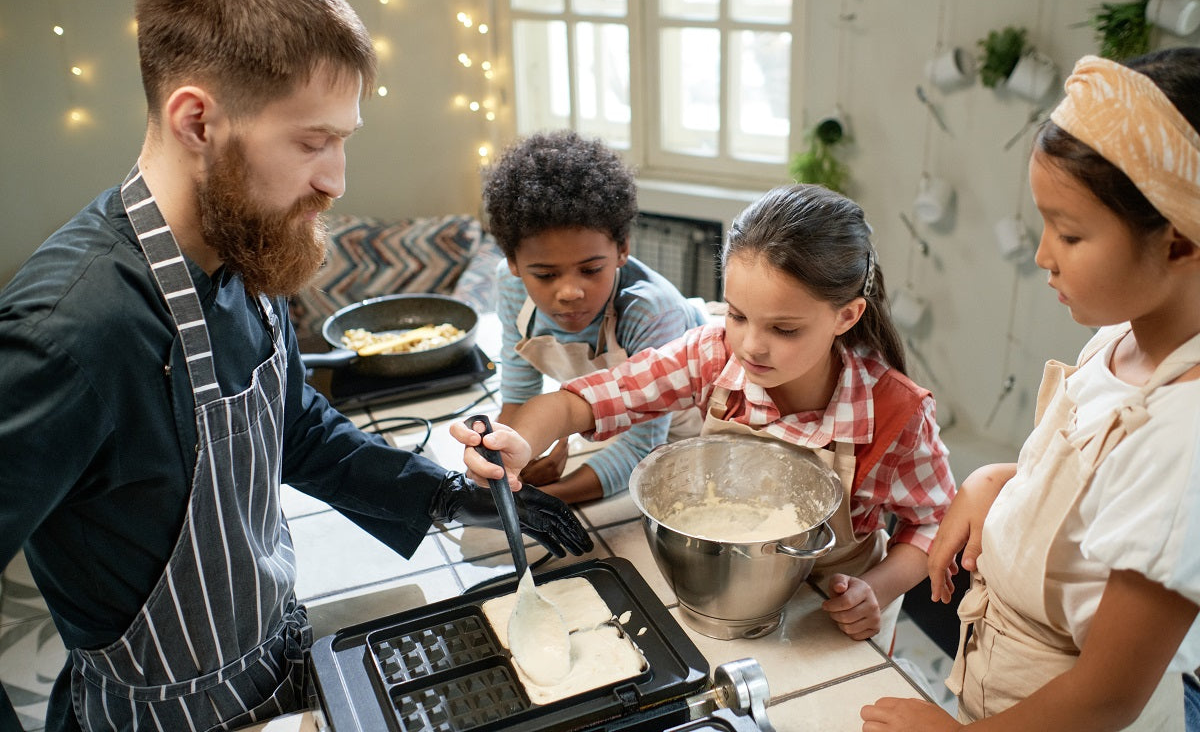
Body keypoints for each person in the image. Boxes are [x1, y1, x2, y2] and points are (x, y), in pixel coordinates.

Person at [0, 0, 591, 731]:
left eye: (342, 139)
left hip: (279, 670)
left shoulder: (244, 247)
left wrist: (450, 495)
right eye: (311, 142)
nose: (336, 179)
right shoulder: (68, 333)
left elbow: (294, 430)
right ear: (197, 120)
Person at [454, 184, 957, 647]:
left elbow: (935, 522)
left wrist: (875, 589)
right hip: (722, 586)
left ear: (846, 316)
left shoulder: (896, 413)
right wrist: (517, 442)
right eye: (737, 315)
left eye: (784, 329)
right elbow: (579, 402)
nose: (751, 346)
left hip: (829, 609)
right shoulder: (711, 356)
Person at [861, 49, 1200, 731]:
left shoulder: (1186, 437)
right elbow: (1094, 497)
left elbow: (1108, 695)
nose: (1043, 255)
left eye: (1070, 234)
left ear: (1179, 243)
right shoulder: (1121, 342)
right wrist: (995, 479)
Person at [483, 129, 706, 504]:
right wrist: (505, 466)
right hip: (613, 422)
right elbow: (519, 396)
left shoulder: (651, 311)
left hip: (687, 430)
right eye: (546, 275)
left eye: (590, 270)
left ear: (622, 250)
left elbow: (644, 448)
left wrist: (543, 501)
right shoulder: (510, 287)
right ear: (514, 264)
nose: (569, 292)